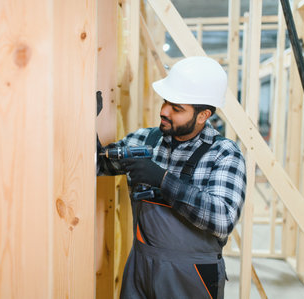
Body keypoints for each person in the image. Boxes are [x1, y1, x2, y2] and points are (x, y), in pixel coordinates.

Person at [97, 56, 246, 299]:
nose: (164, 111)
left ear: (203, 115)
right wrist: (84, 124)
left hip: (192, 275)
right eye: (166, 101)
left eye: (177, 108)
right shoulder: (146, 140)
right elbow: (98, 165)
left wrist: (163, 180)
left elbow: (222, 219)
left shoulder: (224, 154)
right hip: (140, 270)